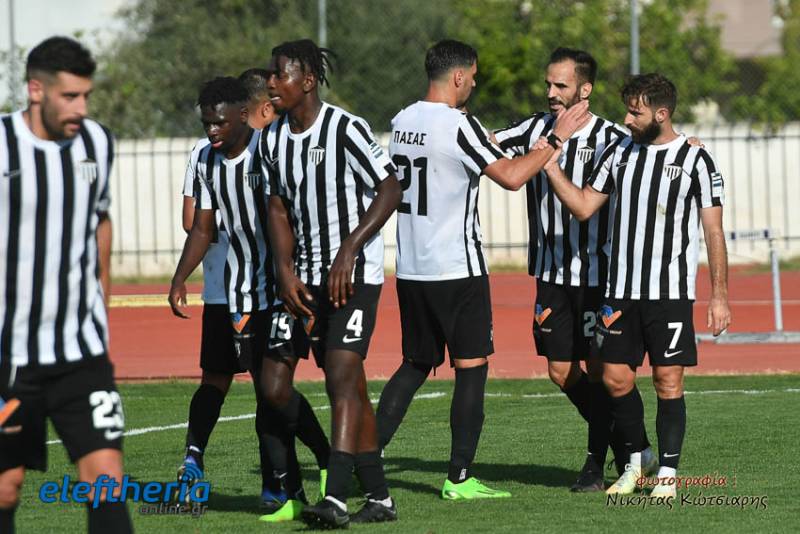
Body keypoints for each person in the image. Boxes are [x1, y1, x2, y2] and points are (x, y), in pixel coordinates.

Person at [375, 39, 589, 501]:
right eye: (472, 76)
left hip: (411, 267)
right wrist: (555, 140)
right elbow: (512, 177)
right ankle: (459, 478)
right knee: (471, 369)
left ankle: (363, 461)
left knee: (414, 365)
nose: (473, 84)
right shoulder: (458, 125)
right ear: (458, 76)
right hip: (457, 267)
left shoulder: (403, 120)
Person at [540, 73, 731, 497]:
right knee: (614, 379)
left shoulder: (697, 160)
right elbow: (585, 206)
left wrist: (719, 295)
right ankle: (634, 462)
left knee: (668, 380)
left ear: (661, 114)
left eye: (635, 113)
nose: (626, 119)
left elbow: (713, 231)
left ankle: (667, 474)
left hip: (669, 293)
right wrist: (550, 168)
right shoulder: (619, 153)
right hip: (620, 291)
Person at [492, 47, 657, 491]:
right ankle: (634, 445)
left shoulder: (612, 138)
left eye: (561, 85)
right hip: (551, 274)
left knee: (601, 370)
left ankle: (594, 464)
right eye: (548, 83)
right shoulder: (533, 129)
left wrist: (692, 143)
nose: (551, 92)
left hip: (599, 277)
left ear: (585, 90)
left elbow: (661, 152)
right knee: (561, 371)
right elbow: (483, 145)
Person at [168, 76, 329, 522]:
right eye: (206, 123)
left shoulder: (269, 150)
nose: (211, 131)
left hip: (281, 291)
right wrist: (180, 277)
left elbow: (296, 212)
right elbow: (201, 226)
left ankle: (312, 468)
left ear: (243, 116)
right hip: (238, 293)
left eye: (218, 122)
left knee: (273, 390)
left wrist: (299, 276)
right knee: (266, 391)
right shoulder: (205, 158)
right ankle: (293, 483)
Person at [263, 38, 402, 528]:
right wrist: (284, 271)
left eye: (279, 74)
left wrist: (350, 249)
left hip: (353, 277)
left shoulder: (346, 128)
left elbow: (390, 187)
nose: (271, 83)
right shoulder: (272, 138)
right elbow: (277, 208)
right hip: (304, 281)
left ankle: (337, 497)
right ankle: (380, 497)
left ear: (307, 81)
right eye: (270, 74)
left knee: (341, 376)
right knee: (279, 385)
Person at [0, 36, 132, 533]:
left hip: (81, 354)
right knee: (6, 485)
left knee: (106, 478)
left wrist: (101, 304)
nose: (81, 108)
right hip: (9, 358)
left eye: (86, 96)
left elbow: (100, 221)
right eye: (70, 97)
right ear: (36, 90)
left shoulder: (97, 143)